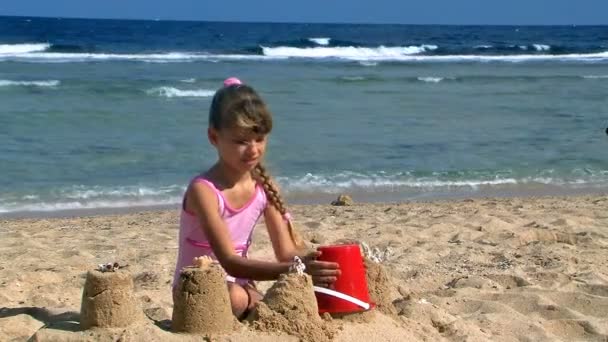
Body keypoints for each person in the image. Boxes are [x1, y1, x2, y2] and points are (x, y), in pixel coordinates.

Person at [172, 77, 340, 319]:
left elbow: (285, 252)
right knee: (236, 297)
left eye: (259, 139)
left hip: (241, 287)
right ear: (213, 137)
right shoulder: (204, 190)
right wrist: (296, 269)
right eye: (241, 141)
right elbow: (229, 262)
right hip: (197, 289)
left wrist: (319, 263)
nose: (253, 150)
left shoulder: (263, 186)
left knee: (292, 297)